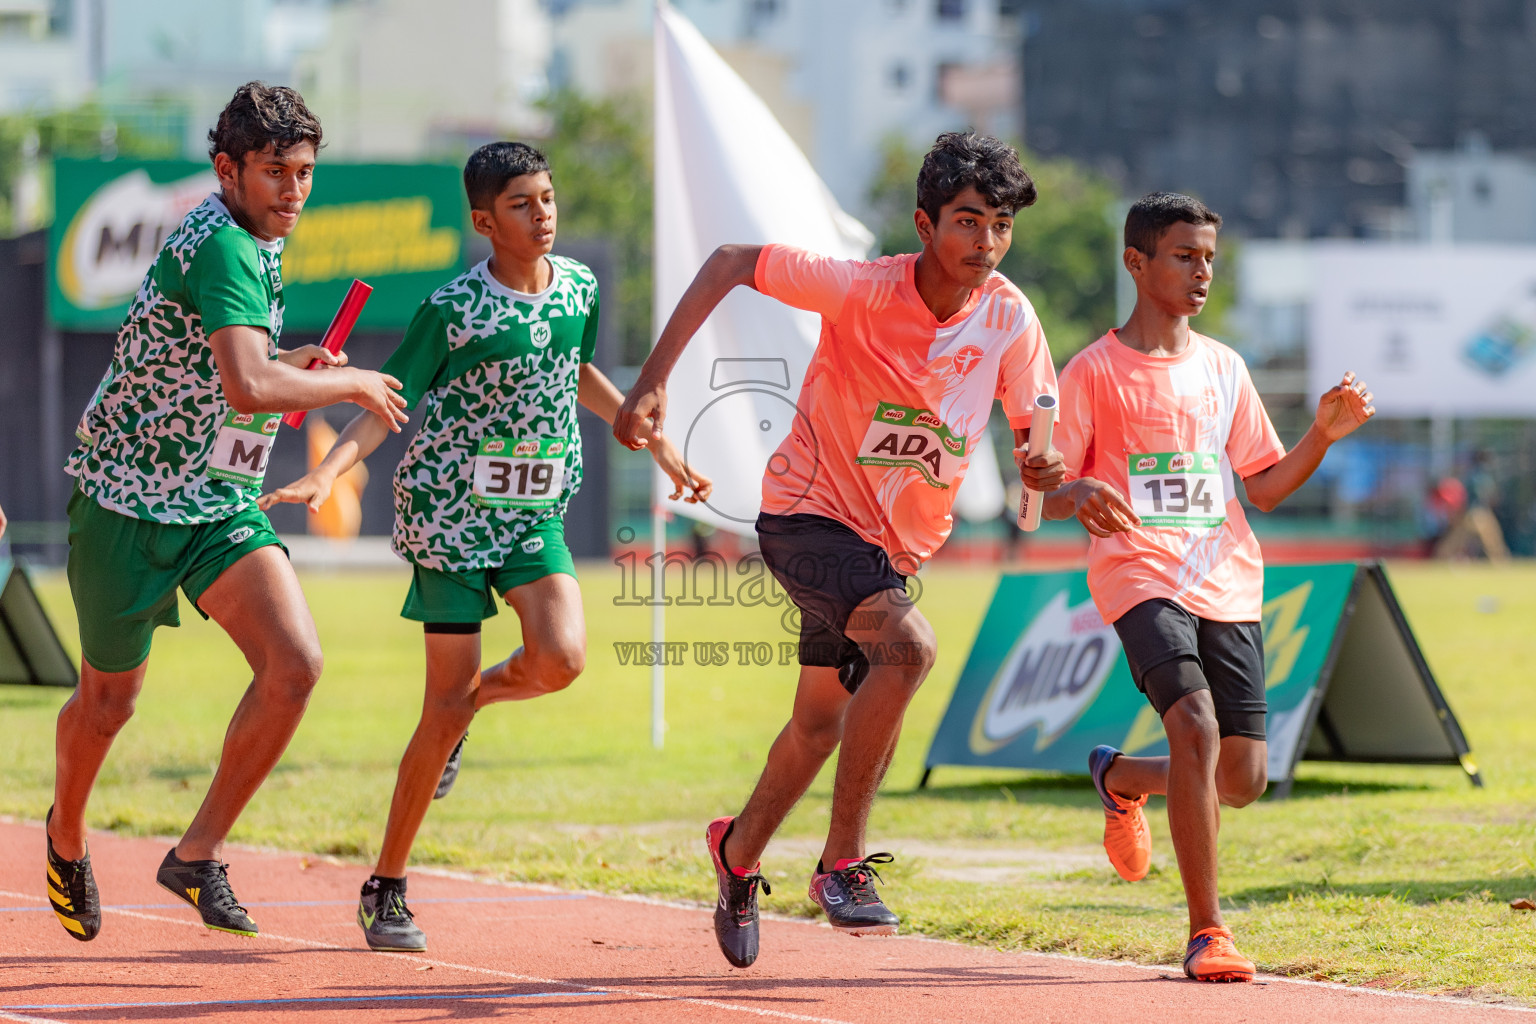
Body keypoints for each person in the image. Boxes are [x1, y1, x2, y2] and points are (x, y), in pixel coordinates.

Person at [614, 131, 1065, 969]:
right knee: (908, 647)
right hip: (806, 517)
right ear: (926, 225)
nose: (987, 244)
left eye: (1001, 226)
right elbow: (726, 261)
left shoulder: (1009, 316)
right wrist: (652, 383)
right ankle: (842, 865)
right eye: (969, 222)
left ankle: (737, 851)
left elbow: (1040, 438)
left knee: (819, 724)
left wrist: (1044, 462)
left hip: (892, 550)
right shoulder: (860, 288)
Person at [260, 141, 710, 953]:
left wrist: (658, 443)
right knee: (441, 707)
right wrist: (326, 472)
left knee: (562, 659)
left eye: (547, 198)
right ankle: (387, 884)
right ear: (482, 221)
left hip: (534, 510)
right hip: (451, 520)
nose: (542, 214)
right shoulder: (453, 309)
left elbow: (577, 371)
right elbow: (383, 403)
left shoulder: (579, 287)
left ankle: (472, 712)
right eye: (520, 204)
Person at [47, 82, 407, 942]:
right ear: (227, 169)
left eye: (305, 172)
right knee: (108, 702)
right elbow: (249, 385)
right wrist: (346, 378)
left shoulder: (257, 238)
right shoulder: (225, 249)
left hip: (213, 498)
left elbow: (234, 363)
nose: (293, 189)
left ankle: (196, 855)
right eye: (276, 172)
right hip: (125, 500)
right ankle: (64, 836)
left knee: (296, 665)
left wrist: (296, 360)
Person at [1044, 192, 1375, 983]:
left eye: (1210, 259)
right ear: (1137, 262)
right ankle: (1208, 932)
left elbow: (1262, 487)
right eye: (1184, 256)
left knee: (1241, 778)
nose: (1202, 273)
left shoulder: (1224, 366)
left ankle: (1120, 778)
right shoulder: (1090, 371)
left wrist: (1321, 437)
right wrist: (1073, 495)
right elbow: (1041, 487)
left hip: (1226, 579)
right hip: (1139, 574)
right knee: (1192, 724)